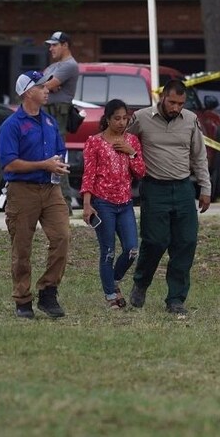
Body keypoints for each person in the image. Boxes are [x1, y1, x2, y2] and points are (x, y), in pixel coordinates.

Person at [126, 79, 211, 316]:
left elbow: (199, 157)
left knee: (185, 243)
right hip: (154, 187)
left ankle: (175, 298)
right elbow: (123, 143)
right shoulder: (142, 118)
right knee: (155, 241)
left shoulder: (190, 120)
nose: (176, 108)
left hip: (183, 187)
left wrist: (205, 188)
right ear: (163, 97)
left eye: (180, 104)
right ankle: (141, 283)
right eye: (172, 102)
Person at [0, 70, 70, 319]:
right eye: (41, 86)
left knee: (62, 237)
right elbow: (9, 164)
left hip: (51, 189)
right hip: (22, 192)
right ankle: (22, 299)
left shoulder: (49, 122)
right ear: (28, 92)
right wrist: (43, 164)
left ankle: (48, 292)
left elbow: (60, 149)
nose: (46, 89)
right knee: (22, 248)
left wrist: (59, 164)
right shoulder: (11, 126)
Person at [80, 99, 145, 309]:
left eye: (125, 118)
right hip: (103, 203)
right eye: (117, 118)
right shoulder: (95, 142)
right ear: (107, 119)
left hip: (125, 203)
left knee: (132, 249)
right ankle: (110, 296)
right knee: (107, 251)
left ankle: (114, 281)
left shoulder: (132, 141)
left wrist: (130, 152)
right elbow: (88, 175)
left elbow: (141, 172)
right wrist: (87, 204)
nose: (121, 122)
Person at [41, 31, 80, 204]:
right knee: (44, 154)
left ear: (65, 45)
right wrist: (46, 84)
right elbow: (39, 82)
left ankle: (64, 200)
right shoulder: (53, 66)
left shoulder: (69, 65)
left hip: (57, 113)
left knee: (56, 155)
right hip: (46, 111)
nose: (51, 49)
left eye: (54, 45)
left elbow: (45, 84)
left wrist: (48, 84)